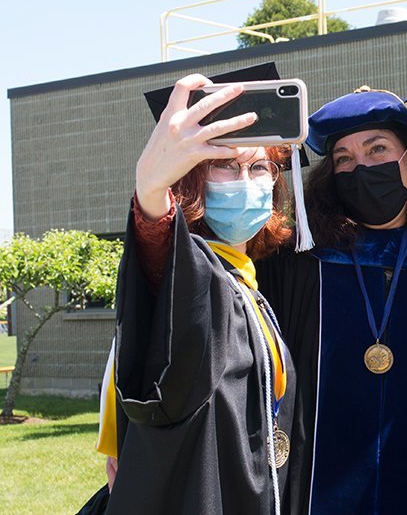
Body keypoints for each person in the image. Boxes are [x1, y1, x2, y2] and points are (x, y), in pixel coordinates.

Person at [255, 86, 407, 515]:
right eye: (343, 158)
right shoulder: (300, 265)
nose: (360, 166)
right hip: (314, 491)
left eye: (377, 149)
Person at [88, 73, 297, 514]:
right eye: (225, 163)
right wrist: (150, 194)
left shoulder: (247, 283)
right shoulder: (196, 273)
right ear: (189, 179)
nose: (247, 178)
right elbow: (167, 269)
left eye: (259, 167)